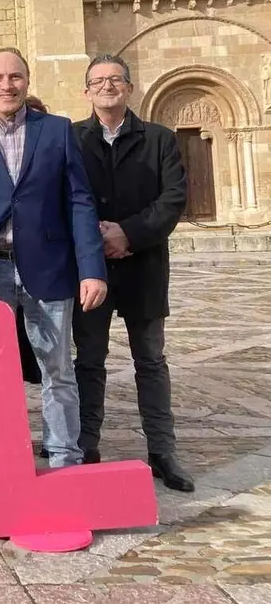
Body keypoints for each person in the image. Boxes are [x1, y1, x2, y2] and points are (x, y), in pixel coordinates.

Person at [0, 47, 108, 510]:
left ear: (26, 81)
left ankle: (64, 467)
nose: (6, 85)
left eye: (14, 77)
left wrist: (91, 268)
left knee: (58, 372)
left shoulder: (56, 132)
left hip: (48, 269)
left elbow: (79, 202)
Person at [73, 54, 193, 492]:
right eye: (98, 80)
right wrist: (95, 238)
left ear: (129, 87)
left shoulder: (160, 139)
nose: (107, 86)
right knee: (88, 362)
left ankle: (163, 450)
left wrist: (127, 233)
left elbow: (173, 198)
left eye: (115, 79)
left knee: (151, 361)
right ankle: (86, 445)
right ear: (86, 91)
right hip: (91, 270)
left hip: (143, 266)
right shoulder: (70, 138)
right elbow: (63, 198)